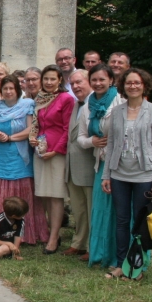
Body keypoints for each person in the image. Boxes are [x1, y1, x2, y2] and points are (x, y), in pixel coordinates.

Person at [101, 68, 152, 280]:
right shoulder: (118, 111)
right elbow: (111, 144)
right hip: (119, 173)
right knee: (121, 220)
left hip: (144, 175)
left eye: (137, 83)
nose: (133, 86)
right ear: (123, 86)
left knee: (139, 223)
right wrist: (106, 175)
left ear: (144, 85)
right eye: (129, 83)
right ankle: (120, 264)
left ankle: (136, 266)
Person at [0, 75, 48, 245]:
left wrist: (10, 138)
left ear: (18, 90)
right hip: (0, 158)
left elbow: (30, 130)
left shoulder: (27, 105)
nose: (9, 91)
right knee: (0, 193)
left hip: (19, 158)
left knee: (21, 193)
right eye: (5, 88)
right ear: (1, 91)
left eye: (12, 88)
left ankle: (25, 235)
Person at [80, 64, 123, 267]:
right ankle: (101, 254)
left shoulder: (120, 101)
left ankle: (119, 255)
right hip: (101, 164)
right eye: (94, 80)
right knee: (101, 211)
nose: (97, 83)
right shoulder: (88, 104)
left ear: (111, 81)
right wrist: (92, 142)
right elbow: (81, 138)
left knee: (119, 211)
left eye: (102, 80)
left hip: (121, 165)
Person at [28, 65, 74, 255]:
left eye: (52, 79)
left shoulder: (66, 99)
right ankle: (48, 230)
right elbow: (37, 124)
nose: (48, 82)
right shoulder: (39, 99)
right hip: (40, 150)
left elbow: (67, 128)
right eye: (45, 79)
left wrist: (55, 151)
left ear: (60, 80)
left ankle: (54, 236)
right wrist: (33, 136)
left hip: (56, 153)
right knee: (44, 193)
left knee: (56, 195)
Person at [64, 69, 98, 259]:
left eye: (79, 82)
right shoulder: (77, 105)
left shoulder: (96, 105)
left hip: (89, 165)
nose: (75, 87)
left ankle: (93, 247)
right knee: (79, 209)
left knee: (92, 209)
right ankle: (79, 243)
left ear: (89, 82)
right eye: (72, 84)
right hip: (73, 165)